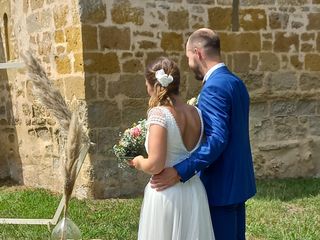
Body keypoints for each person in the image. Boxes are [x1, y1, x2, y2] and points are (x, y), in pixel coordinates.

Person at [150, 28, 257, 240]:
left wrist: (180, 171)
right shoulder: (236, 82)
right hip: (239, 183)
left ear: (198, 53)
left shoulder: (213, 87)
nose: (189, 65)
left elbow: (217, 138)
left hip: (220, 186)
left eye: (189, 58)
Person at [130, 57, 215, 240]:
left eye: (146, 84)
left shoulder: (159, 114)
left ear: (152, 85)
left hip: (166, 193)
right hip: (193, 190)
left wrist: (138, 161)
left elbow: (155, 165)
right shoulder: (196, 112)